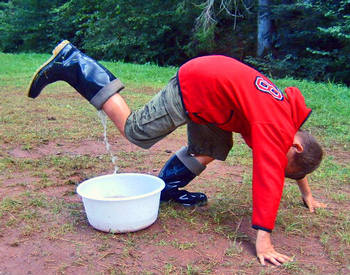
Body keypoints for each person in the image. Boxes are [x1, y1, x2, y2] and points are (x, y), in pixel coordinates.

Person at [27, 40, 326, 266]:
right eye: (282, 161)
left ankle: (166, 189)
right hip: (197, 84)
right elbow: (268, 178)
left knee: (214, 147)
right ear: (295, 146)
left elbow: (295, 160)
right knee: (135, 130)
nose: (275, 159)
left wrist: (306, 193)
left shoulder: (289, 121)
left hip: (218, 96)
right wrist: (264, 240)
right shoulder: (276, 129)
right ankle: (75, 63)